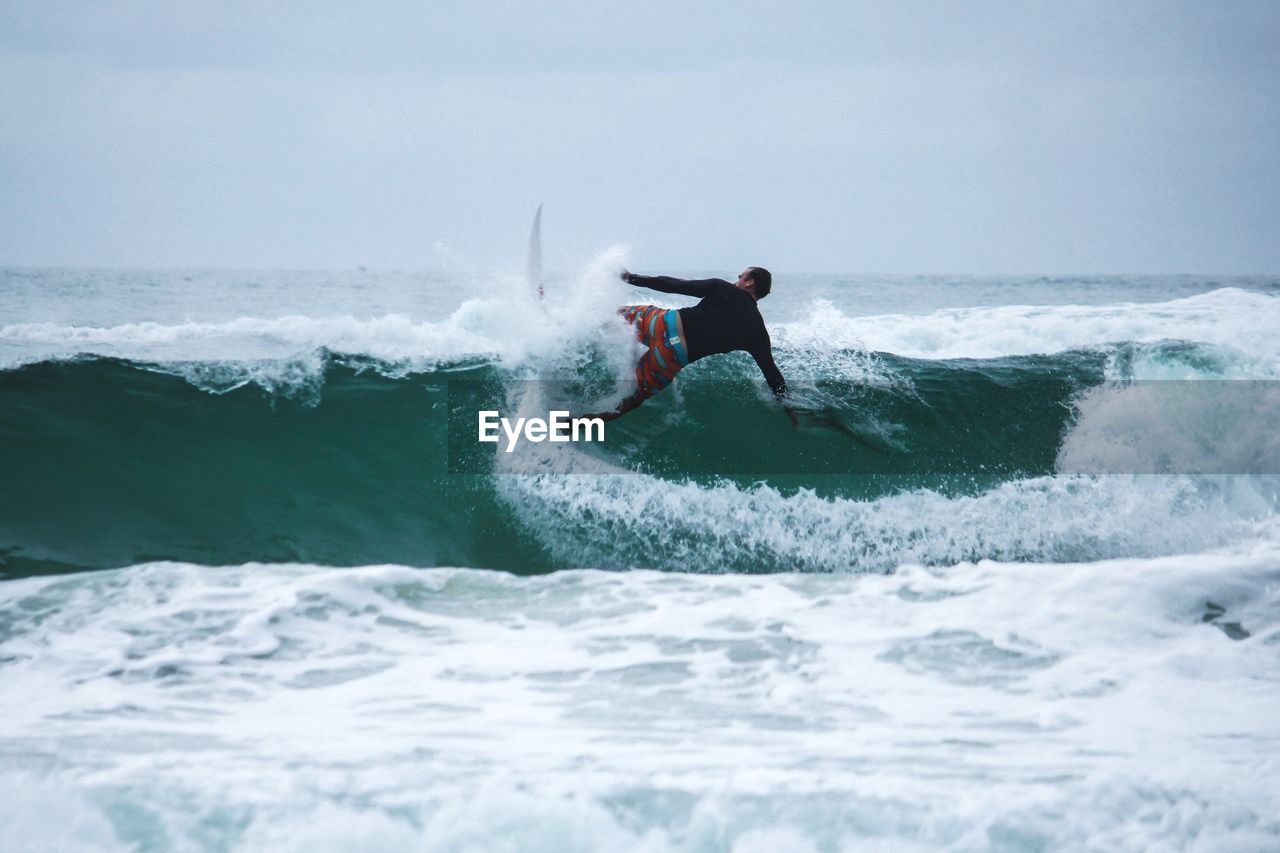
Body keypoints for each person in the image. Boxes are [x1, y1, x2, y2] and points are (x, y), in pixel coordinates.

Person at [580, 266, 795, 425]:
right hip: (670, 358)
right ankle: (576, 424)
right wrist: (790, 409)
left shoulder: (722, 288)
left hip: (661, 325)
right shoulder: (756, 330)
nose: (736, 280)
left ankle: (568, 325)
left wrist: (631, 278)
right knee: (629, 402)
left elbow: (675, 285)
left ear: (749, 283)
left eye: (741, 277)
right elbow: (772, 374)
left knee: (613, 317)